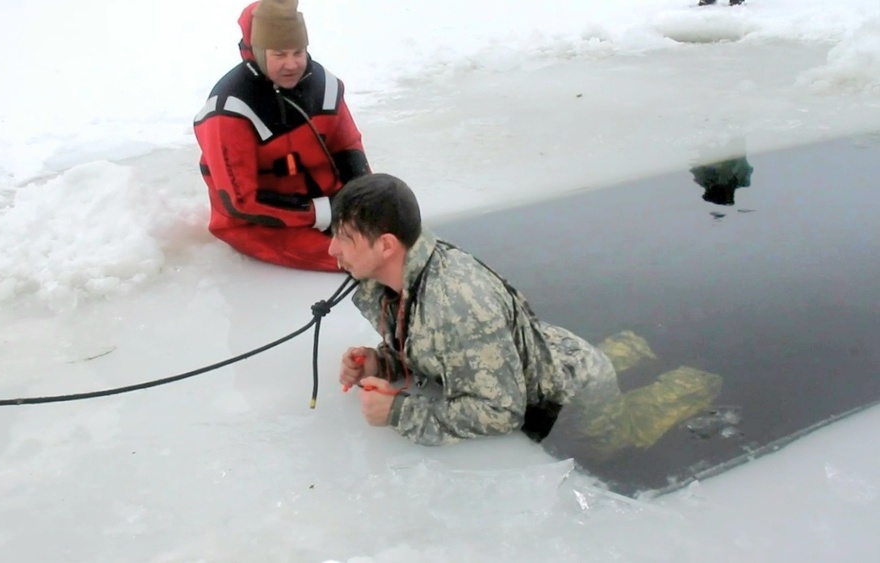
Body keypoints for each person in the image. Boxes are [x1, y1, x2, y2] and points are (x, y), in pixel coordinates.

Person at [330, 172, 723, 452]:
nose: (333, 250)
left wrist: (399, 412)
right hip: (539, 359)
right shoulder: (396, 281)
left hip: (569, 392)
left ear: (385, 246)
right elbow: (434, 347)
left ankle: (696, 381)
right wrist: (382, 364)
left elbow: (500, 411)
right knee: (581, 361)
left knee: (613, 440)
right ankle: (631, 348)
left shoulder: (459, 304)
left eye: (344, 239)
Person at [193, 0, 370, 272]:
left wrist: (363, 197)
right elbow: (240, 201)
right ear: (260, 52)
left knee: (392, 238)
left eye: (298, 52)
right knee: (365, 259)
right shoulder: (229, 110)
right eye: (279, 54)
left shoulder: (325, 86)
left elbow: (347, 145)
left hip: (331, 205)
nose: (291, 64)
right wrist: (322, 212)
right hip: (260, 224)